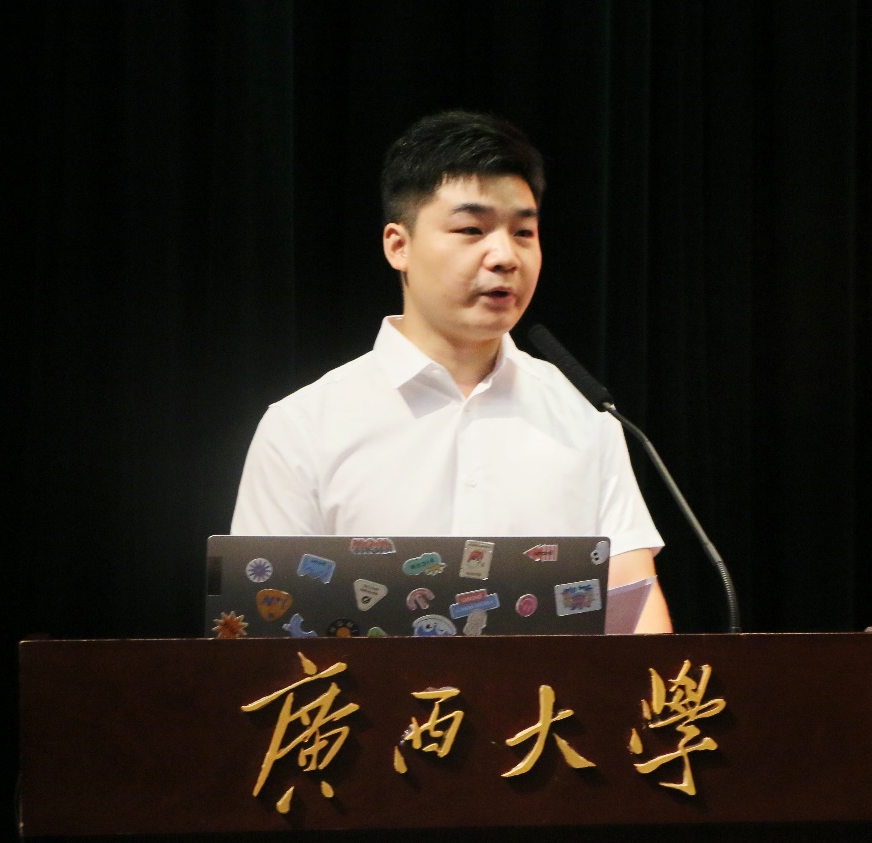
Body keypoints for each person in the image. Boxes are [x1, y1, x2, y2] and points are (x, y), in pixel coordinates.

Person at [231, 110, 673, 633]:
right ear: (398, 245)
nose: (505, 256)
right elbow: (260, 637)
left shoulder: (585, 415)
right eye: (471, 229)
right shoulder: (303, 428)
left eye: (524, 232)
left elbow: (636, 613)